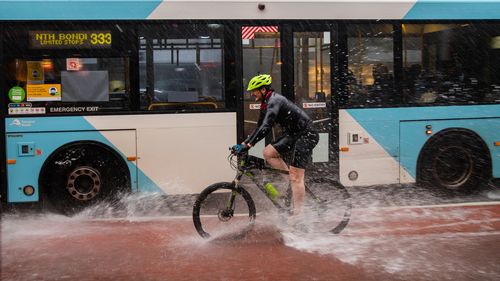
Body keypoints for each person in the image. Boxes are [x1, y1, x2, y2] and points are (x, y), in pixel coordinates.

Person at [233, 74, 319, 219]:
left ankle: (298, 217)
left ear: (263, 90)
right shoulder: (266, 103)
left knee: (297, 178)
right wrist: (244, 144)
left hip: (306, 134)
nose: (252, 93)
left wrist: (248, 145)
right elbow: (259, 127)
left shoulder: (274, 101)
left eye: (254, 90)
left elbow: (266, 127)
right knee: (268, 153)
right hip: (293, 134)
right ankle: (290, 184)